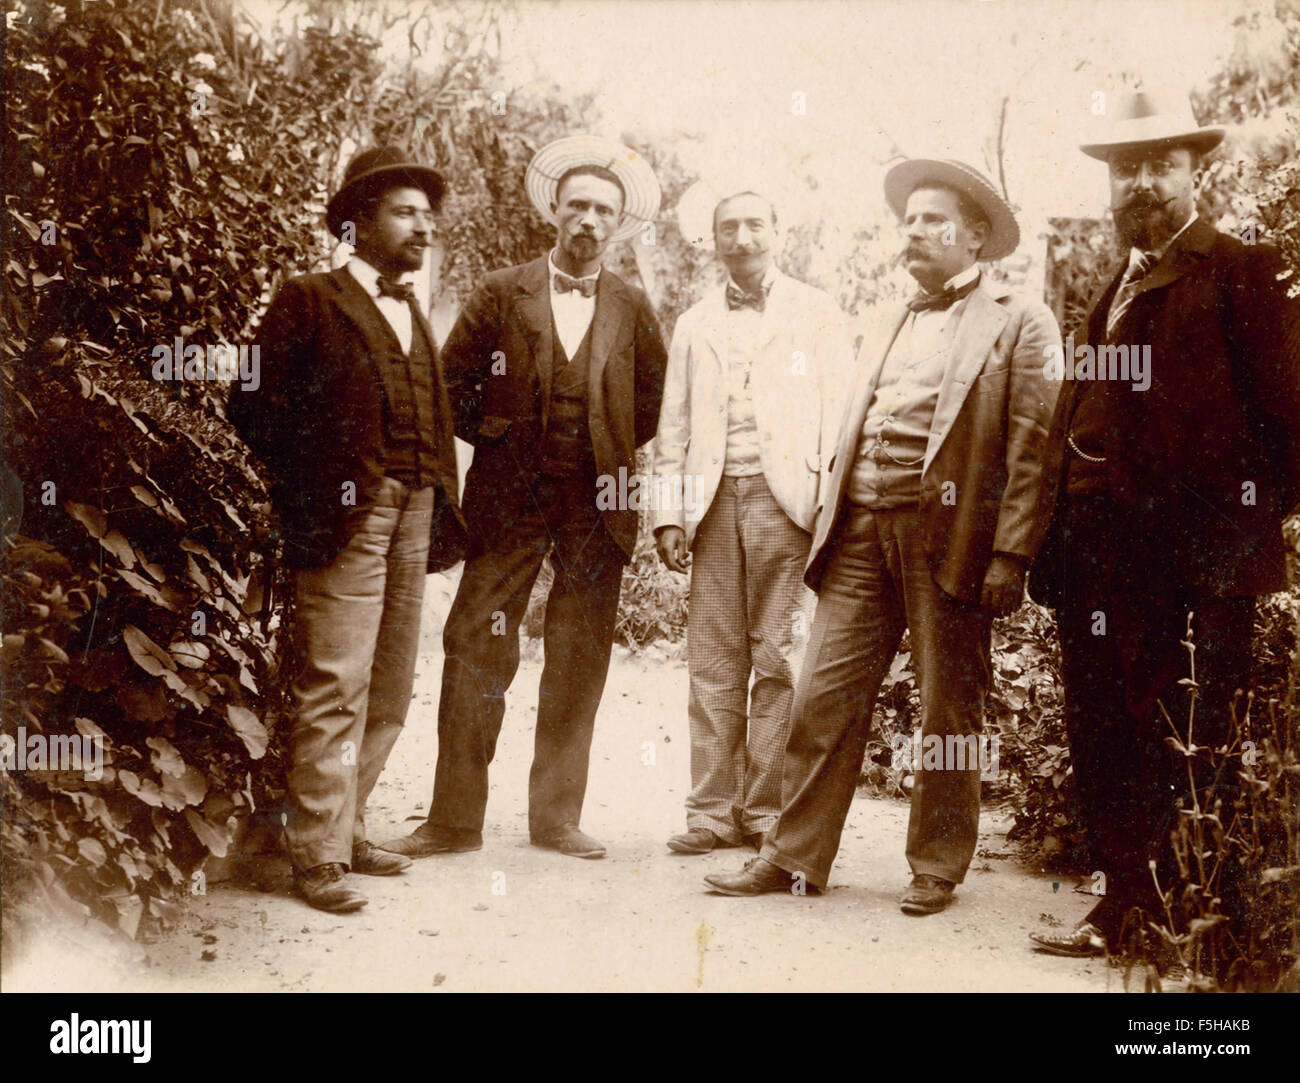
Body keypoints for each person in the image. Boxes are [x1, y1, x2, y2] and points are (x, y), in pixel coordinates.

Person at [705, 159, 1060, 915]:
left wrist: (1011, 553)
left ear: (975, 237)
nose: (916, 232)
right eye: (910, 220)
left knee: (946, 706)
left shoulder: (1020, 319)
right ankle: (794, 853)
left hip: (950, 536)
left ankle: (936, 862)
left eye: (935, 220)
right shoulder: (889, 315)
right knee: (820, 693)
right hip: (860, 530)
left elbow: (1033, 447)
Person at [1027, 89, 1300, 959]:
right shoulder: (1110, 281)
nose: (1140, 181)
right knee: (1103, 722)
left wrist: (1234, 528)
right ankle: (1122, 905)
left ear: (1194, 172)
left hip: (1197, 563)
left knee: (1189, 733)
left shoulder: (1239, 270)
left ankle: (1190, 919)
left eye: (1160, 164)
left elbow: (1290, 421)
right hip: (1100, 555)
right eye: (1125, 169)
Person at [380, 135, 668, 861]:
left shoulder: (632, 306)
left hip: (597, 501)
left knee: (578, 654)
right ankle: (452, 819)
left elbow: (651, 401)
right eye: (578, 206)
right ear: (555, 212)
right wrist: (503, 435)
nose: (589, 222)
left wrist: (599, 440)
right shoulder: (500, 289)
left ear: (618, 222)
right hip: (509, 499)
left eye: (604, 210)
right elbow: (453, 386)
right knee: (477, 642)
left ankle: (557, 818)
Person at [229, 146, 466, 912]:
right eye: (404, 212)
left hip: (416, 506)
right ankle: (314, 852)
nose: (421, 228)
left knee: (392, 680)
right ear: (356, 223)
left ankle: (347, 823)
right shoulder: (308, 298)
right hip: (348, 514)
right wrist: (310, 486)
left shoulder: (415, 307)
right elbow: (252, 404)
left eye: (428, 216)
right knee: (336, 680)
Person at [653, 180, 851, 855]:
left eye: (755, 224)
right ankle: (711, 809)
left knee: (778, 659)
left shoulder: (818, 313)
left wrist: (827, 507)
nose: (742, 238)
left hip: (785, 503)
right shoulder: (693, 322)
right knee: (713, 659)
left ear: (778, 232)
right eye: (729, 226)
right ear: (714, 240)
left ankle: (765, 810)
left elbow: (838, 414)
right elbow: (672, 425)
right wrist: (669, 515)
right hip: (711, 505)